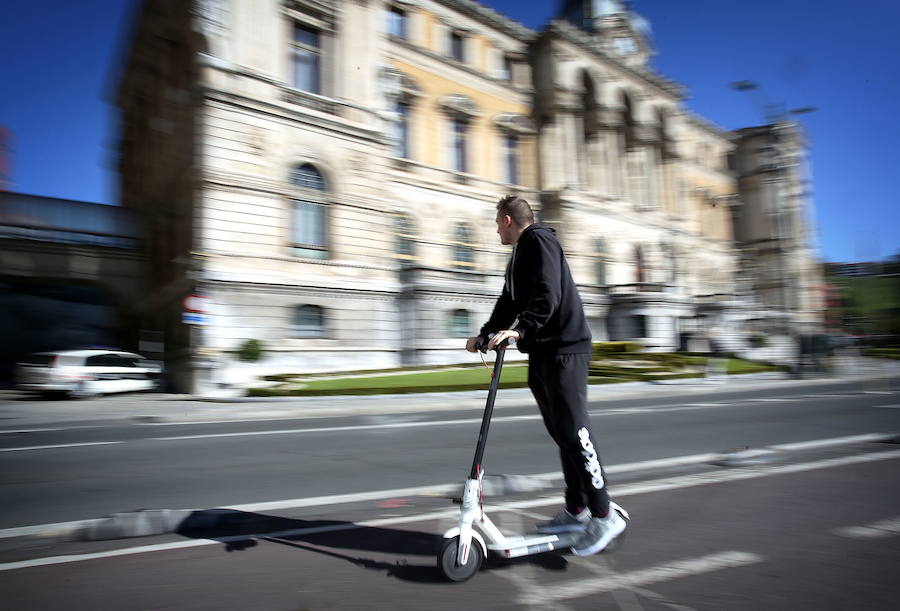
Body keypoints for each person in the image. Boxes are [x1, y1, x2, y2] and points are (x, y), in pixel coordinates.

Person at [466, 195, 625, 556]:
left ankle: (603, 513)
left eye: (496, 223)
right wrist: (487, 334)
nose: (495, 230)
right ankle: (577, 508)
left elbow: (547, 294)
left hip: (566, 349)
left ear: (507, 220)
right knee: (561, 433)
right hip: (544, 351)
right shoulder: (519, 255)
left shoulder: (539, 241)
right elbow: (508, 302)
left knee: (575, 430)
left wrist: (521, 330)